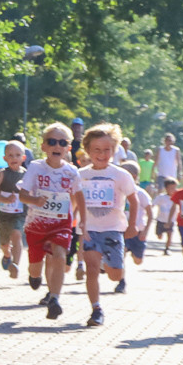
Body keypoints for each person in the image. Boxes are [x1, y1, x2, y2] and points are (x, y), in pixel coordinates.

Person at [18, 123, 85, 320]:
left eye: (62, 142)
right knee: (36, 264)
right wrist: (34, 200)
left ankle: (54, 298)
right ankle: (34, 275)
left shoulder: (72, 172)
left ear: (68, 148)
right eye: (52, 142)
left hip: (60, 223)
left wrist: (81, 221)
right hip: (36, 224)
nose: (57, 146)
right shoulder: (36, 167)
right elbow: (22, 195)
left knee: (59, 255)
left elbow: (78, 198)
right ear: (44, 146)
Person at [78, 124, 138, 325]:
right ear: (88, 151)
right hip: (90, 230)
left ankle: (107, 262)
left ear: (114, 150)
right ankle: (96, 309)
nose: (102, 154)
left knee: (115, 275)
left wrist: (132, 225)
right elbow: (73, 201)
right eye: (97, 150)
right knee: (91, 269)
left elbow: (134, 200)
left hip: (113, 230)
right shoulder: (81, 175)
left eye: (107, 150)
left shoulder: (121, 175)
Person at [0, 140, 27, 279]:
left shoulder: (26, 174)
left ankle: (15, 265)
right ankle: (7, 254)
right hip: (4, 214)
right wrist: (5, 199)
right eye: (10, 155)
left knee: (17, 234)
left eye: (17, 155)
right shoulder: (2, 174)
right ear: (4, 158)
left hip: (20, 213)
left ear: (23, 158)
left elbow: (31, 192)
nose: (14, 158)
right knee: (4, 243)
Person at [120, 161, 153, 269]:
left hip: (138, 231)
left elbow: (150, 214)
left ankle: (135, 253)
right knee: (121, 254)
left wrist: (145, 231)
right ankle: (121, 280)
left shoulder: (141, 193)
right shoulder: (119, 192)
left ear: (133, 176)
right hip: (123, 230)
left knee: (138, 261)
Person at [152, 177, 177, 256]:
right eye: (171, 188)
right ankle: (159, 234)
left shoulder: (176, 198)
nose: (173, 190)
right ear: (166, 188)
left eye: (174, 188)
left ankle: (167, 248)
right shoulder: (161, 197)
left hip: (171, 220)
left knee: (170, 234)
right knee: (159, 236)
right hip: (161, 220)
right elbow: (153, 204)